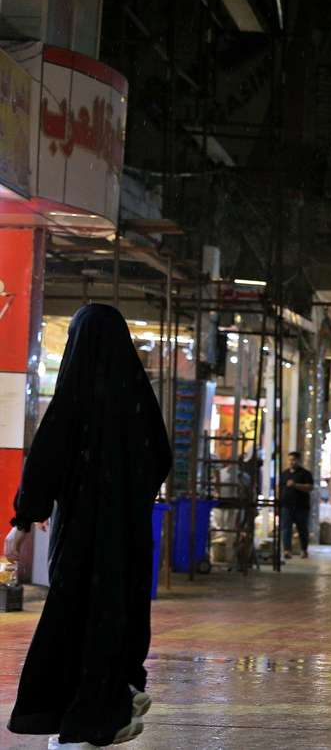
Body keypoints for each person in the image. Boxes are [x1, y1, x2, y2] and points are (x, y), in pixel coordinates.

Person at [5, 304, 171, 748]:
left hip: (80, 535)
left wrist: (22, 521)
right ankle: (115, 697)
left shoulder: (73, 398)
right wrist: (127, 498)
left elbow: (45, 460)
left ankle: (79, 717)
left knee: (73, 617)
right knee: (118, 615)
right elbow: (161, 457)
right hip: (129, 536)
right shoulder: (137, 396)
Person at [280, 451, 313, 558]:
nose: (291, 462)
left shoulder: (305, 474)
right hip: (287, 506)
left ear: (298, 461)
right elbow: (280, 487)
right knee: (286, 529)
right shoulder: (285, 474)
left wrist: (295, 485)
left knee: (302, 529)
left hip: (301, 506)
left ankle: (304, 550)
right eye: (290, 460)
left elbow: (309, 487)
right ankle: (287, 550)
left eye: (293, 460)